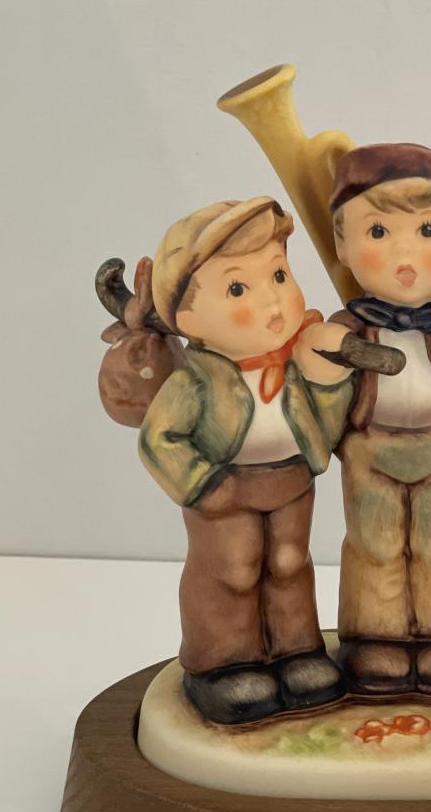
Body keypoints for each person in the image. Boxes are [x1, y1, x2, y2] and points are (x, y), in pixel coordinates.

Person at [140, 196, 400, 723]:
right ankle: (223, 663)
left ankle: (296, 652)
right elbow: (158, 440)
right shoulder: (195, 382)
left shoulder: (295, 363)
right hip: (226, 489)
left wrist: (329, 381)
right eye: (238, 289)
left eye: (279, 275)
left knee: (288, 564)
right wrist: (204, 483)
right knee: (233, 569)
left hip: (290, 480)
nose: (273, 300)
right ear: (187, 317)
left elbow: (324, 426)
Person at [328, 144, 431, 697]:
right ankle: (375, 638)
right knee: (373, 544)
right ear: (341, 243)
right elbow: (321, 392)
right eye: (377, 232)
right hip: (369, 451)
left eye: (427, 231)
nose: (405, 252)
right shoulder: (345, 328)